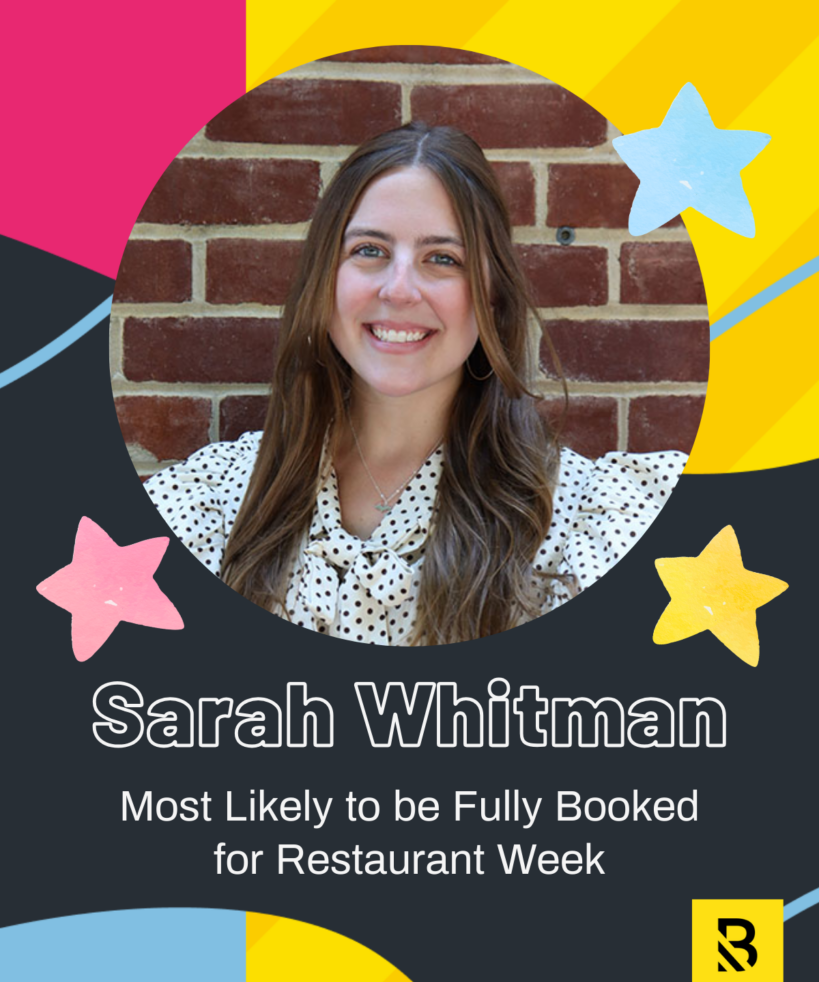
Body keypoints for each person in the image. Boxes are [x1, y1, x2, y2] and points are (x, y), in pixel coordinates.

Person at [145, 122, 686, 645]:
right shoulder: (218, 502)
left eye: (442, 259)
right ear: (325, 280)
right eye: (370, 251)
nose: (399, 290)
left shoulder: (580, 519)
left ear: (491, 298)